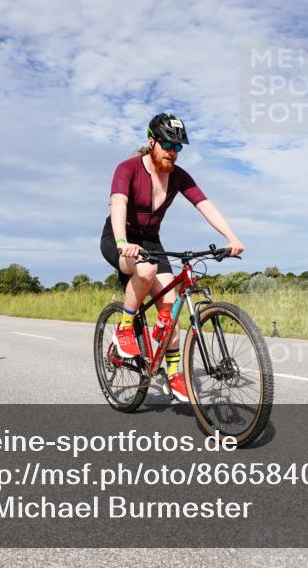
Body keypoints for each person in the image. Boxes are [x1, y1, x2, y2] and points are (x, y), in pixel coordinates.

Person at [100, 112, 244, 402]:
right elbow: (118, 204)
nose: (172, 152)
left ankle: (175, 373)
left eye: (178, 147)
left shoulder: (178, 177)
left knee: (170, 308)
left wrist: (232, 237)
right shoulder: (128, 168)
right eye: (167, 144)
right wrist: (121, 242)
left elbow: (205, 205)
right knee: (145, 271)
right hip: (120, 238)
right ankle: (125, 328)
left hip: (152, 243)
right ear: (151, 141)